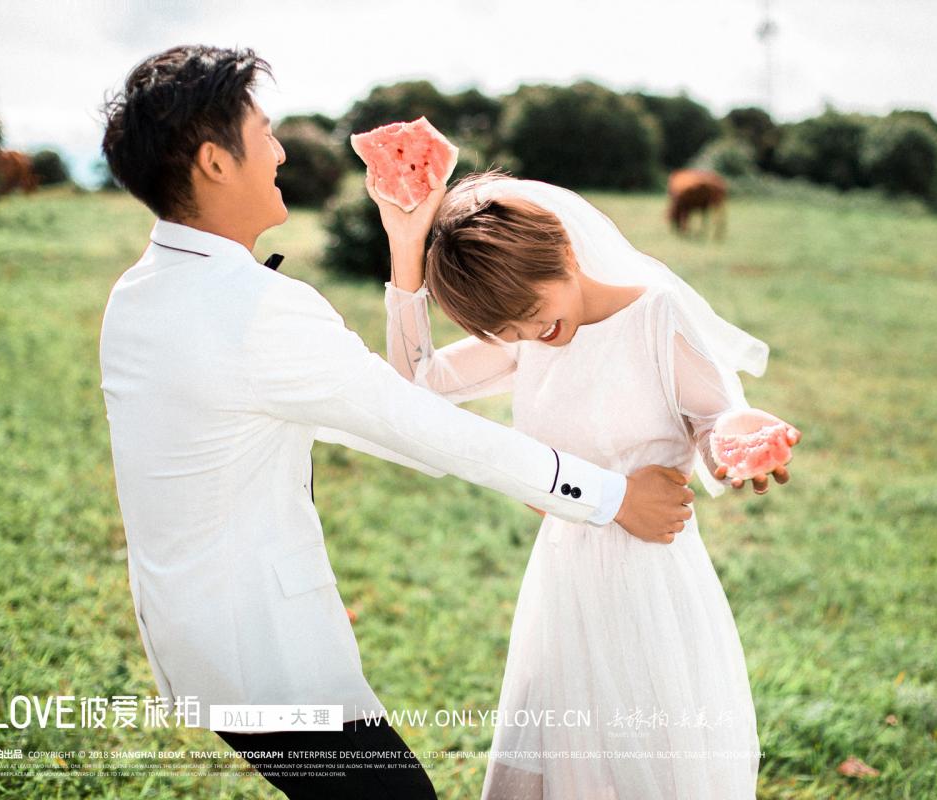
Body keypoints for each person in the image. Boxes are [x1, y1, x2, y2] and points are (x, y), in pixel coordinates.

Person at [97, 45, 697, 800]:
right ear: (216, 163)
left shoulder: (137, 292)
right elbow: (427, 427)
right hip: (268, 652)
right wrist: (613, 497)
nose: (281, 151)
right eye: (266, 131)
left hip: (188, 635)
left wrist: (406, 244)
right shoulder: (256, 310)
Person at [372, 167, 803, 799]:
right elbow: (414, 388)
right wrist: (405, 250)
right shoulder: (528, 341)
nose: (528, 335)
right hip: (563, 575)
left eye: (530, 314)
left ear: (566, 253)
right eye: (507, 333)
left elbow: (714, 420)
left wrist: (740, 442)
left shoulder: (656, 317)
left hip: (648, 576)